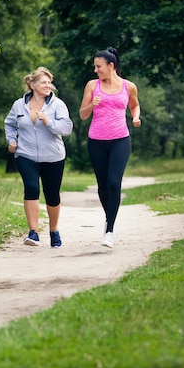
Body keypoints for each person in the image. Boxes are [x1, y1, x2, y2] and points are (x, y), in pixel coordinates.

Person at [79, 47, 141, 248]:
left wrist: (136, 117)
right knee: (103, 186)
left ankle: (109, 230)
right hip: (96, 141)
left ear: (110, 66)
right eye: (95, 67)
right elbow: (82, 115)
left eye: (99, 66)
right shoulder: (91, 86)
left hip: (120, 140)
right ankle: (110, 218)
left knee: (114, 182)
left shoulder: (129, 86)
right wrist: (92, 105)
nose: (96, 70)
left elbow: (134, 105)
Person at [4, 67, 73, 248]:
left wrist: (48, 122)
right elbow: (10, 124)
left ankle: (54, 231)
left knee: (52, 195)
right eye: (43, 82)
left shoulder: (58, 105)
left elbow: (67, 128)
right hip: (25, 154)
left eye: (49, 82)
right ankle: (33, 233)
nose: (47, 85)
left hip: (53, 156)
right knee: (32, 187)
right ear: (32, 85)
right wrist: (12, 140)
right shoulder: (19, 105)